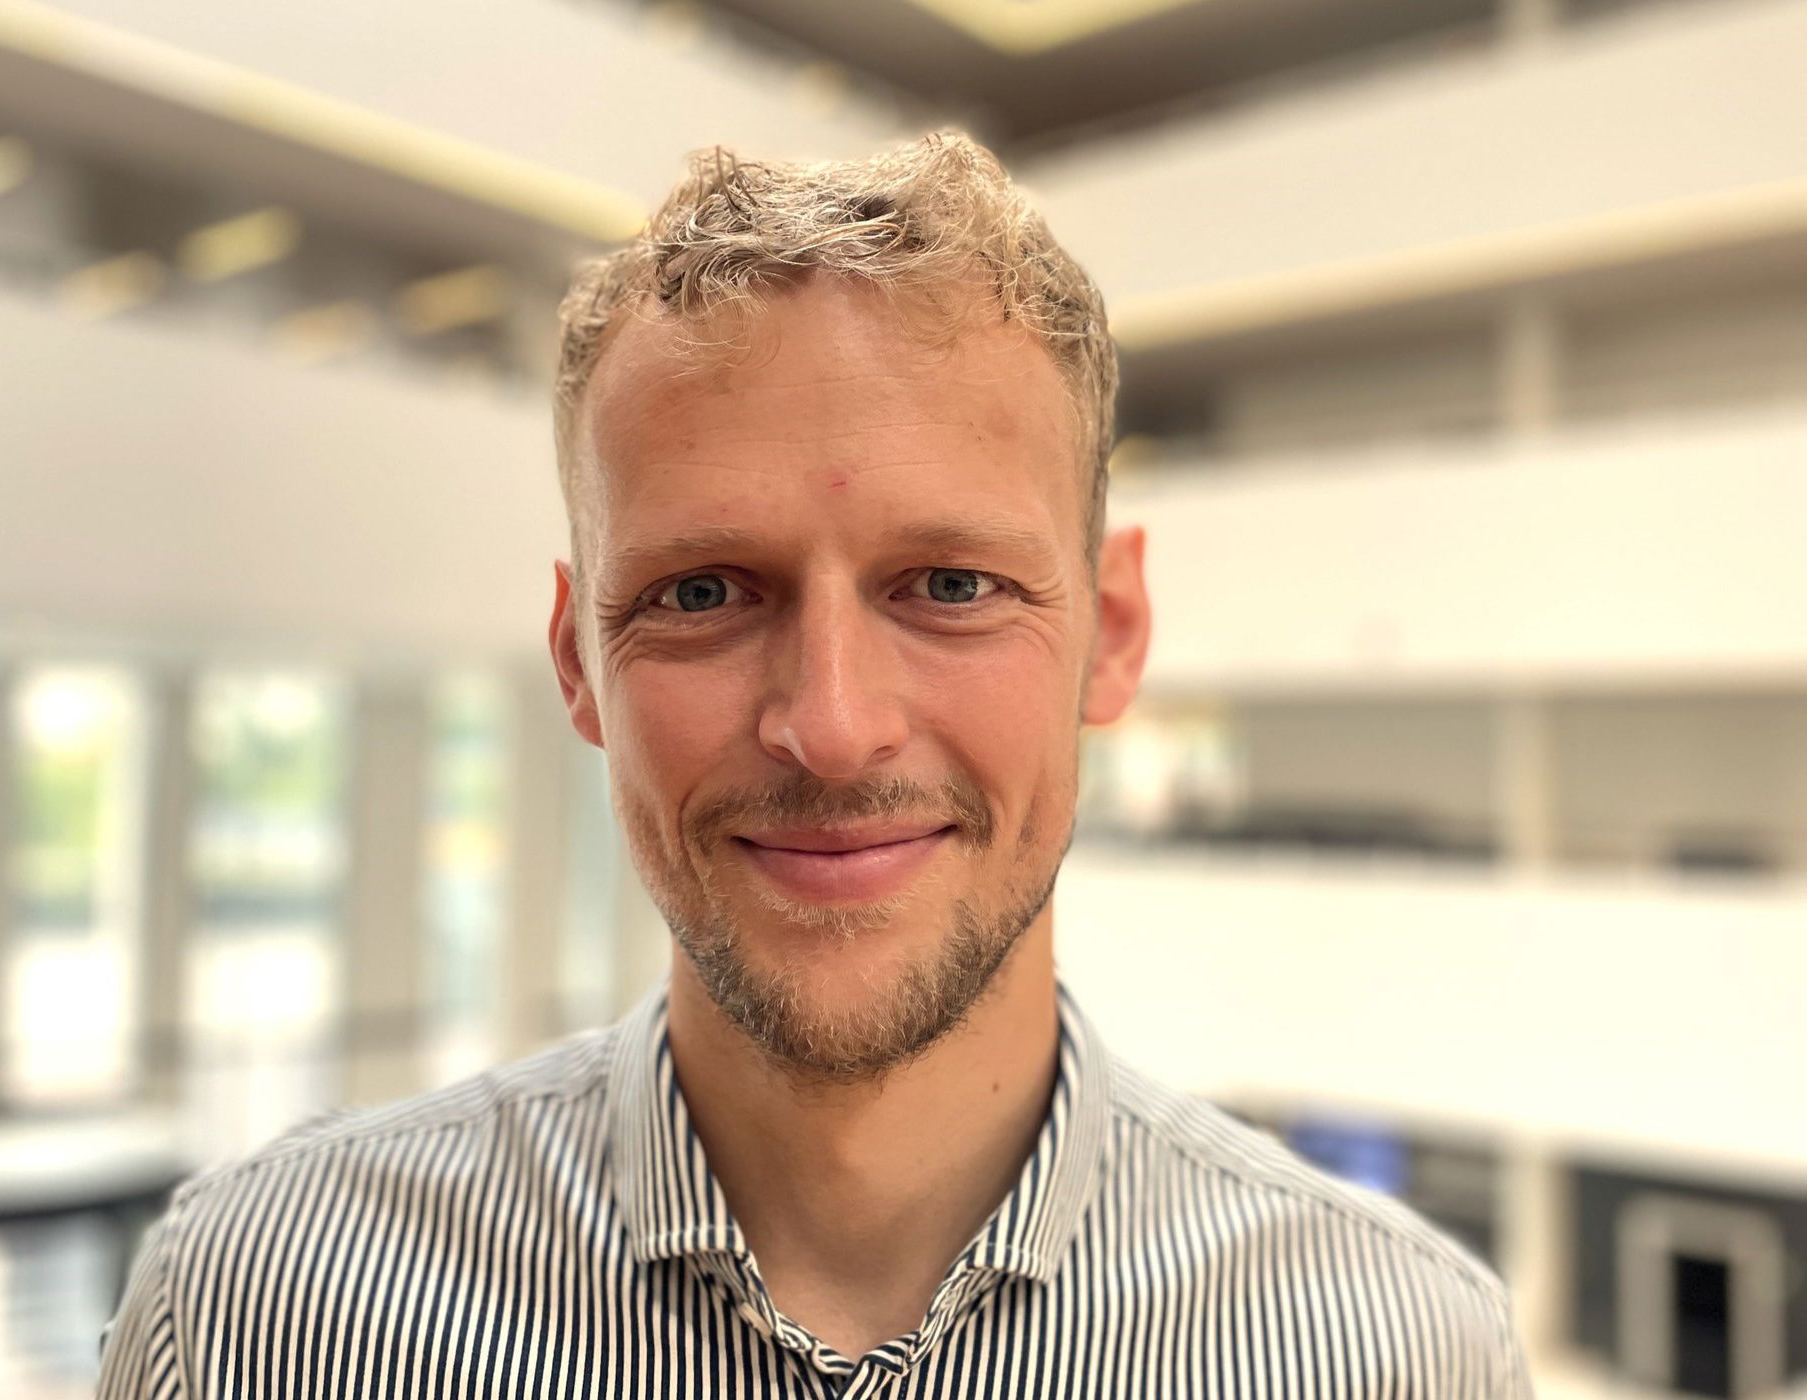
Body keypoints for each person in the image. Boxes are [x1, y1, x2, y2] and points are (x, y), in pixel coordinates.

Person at [98, 131, 1533, 1398]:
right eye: (703, 593)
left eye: (952, 586)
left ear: (1110, 635)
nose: (833, 726)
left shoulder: (1398, 1355)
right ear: (576, 663)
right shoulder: (255, 1318)